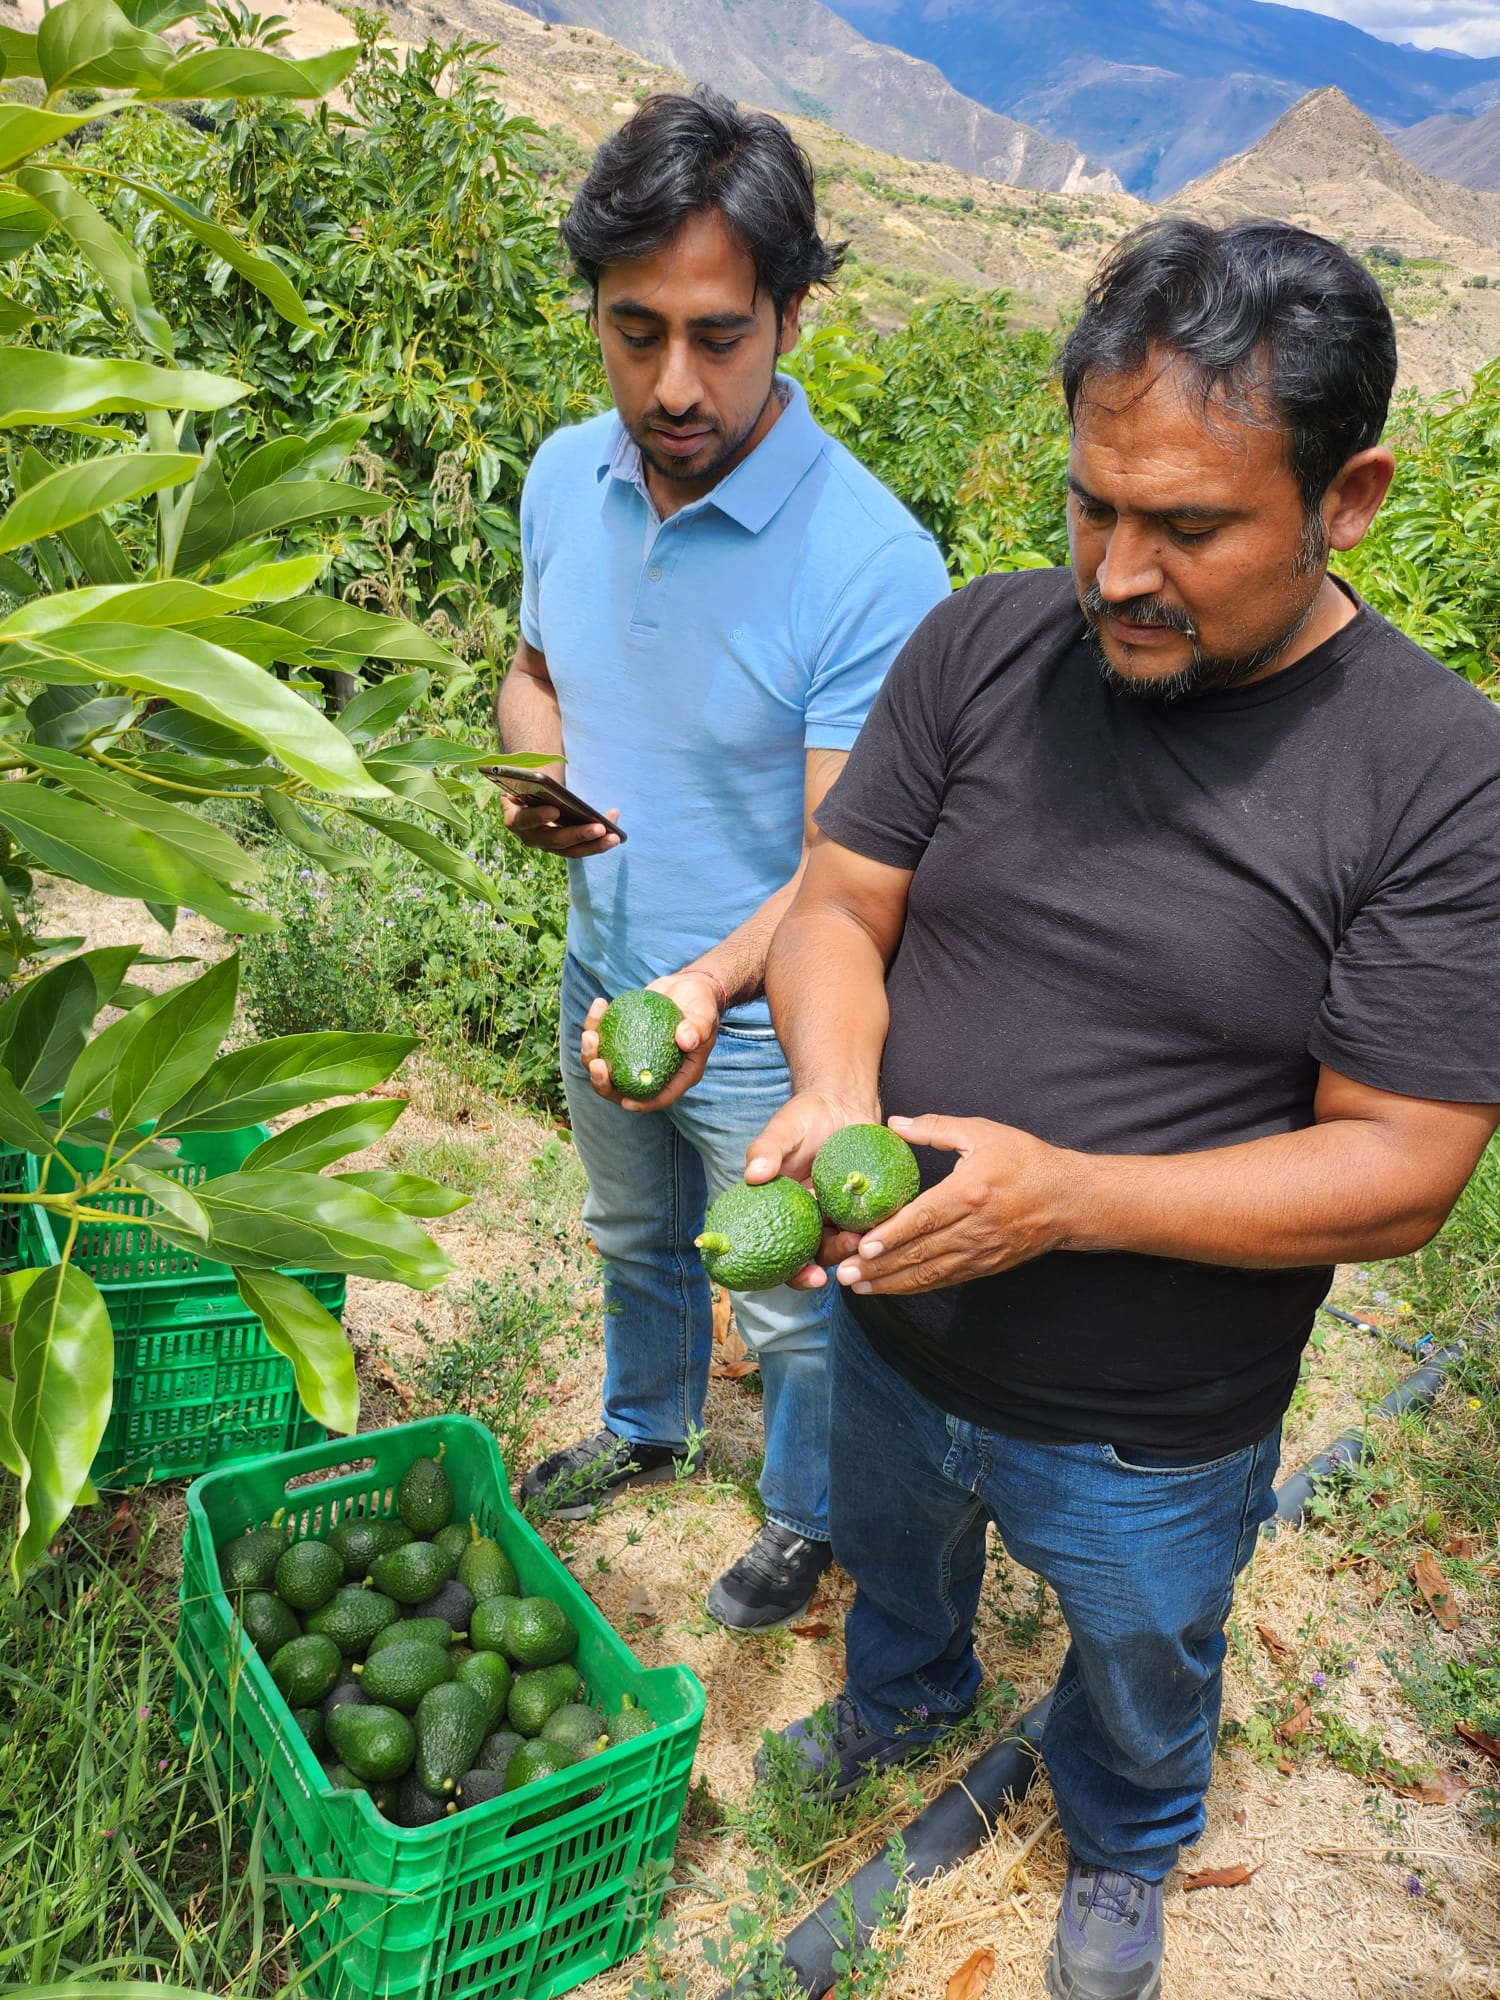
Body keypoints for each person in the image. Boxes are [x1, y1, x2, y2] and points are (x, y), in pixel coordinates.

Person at [745, 217, 1500, 1997]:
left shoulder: (1435, 777)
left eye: (1192, 526)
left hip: (1149, 1425)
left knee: (1145, 1648)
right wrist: (845, 1097)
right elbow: (842, 905)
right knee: (897, 1554)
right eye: (1095, 505)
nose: (1118, 571)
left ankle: (1128, 1832)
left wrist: (1066, 1197)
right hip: (896, 1330)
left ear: (1352, 496)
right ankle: (906, 1698)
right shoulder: (984, 644)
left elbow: (1402, 1168)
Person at [496, 87, 950, 1630]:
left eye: (718, 334)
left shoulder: (869, 563)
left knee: (794, 1304)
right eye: (635, 333)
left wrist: (706, 986)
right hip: (606, 962)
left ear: (794, 316)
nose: (673, 382)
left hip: (767, 1017)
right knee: (635, 1230)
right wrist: (535, 772)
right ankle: (646, 1425)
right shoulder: (565, 474)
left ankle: (806, 1513)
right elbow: (536, 670)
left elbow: (851, 868)